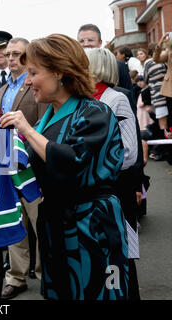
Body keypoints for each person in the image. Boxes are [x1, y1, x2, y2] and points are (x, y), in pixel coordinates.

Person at [0, 34, 129, 300]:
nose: (28, 81)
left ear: (59, 72)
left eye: (33, 72)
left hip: (91, 227)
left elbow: (70, 162)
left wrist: (26, 130)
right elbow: (30, 171)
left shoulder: (95, 112)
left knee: (97, 292)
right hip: (55, 225)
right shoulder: (46, 119)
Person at [0, 37, 48, 300]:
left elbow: (46, 124)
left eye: (18, 54)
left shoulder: (35, 85)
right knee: (15, 223)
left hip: (32, 168)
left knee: (40, 222)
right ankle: (16, 277)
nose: (12, 58)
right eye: (9, 54)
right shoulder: (1, 92)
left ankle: (46, 273)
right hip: (6, 168)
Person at [85, 47, 141, 300]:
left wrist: (91, 166)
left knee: (121, 259)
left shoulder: (116, 99)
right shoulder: (82, 100)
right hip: (92, 195)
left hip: (115, 191)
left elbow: (129, 153)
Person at [77, 24, 132, 90]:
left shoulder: (117, 66)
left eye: (90, 40)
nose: (86, 44)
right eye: (81, 41)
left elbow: (128, 94)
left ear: (100, 43)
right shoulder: (73, 67)